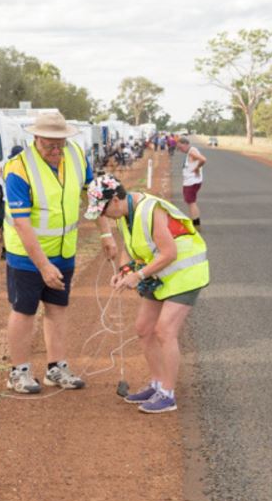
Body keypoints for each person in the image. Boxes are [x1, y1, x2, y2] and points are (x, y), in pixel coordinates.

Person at [86, 174, 209, 414]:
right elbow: (130, 250)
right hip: (161, 276)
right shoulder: (123, 215)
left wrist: (138, 276)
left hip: (185, 274)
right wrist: (124, 271)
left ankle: (168, 394)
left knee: (164, 330)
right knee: (143, 328)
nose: (103, 216)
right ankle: (156, 384)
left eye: (103, 210)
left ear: (117, 199)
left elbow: (169, 253)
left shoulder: (150, 210)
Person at [2, 110, 96, 393]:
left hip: (64, 251)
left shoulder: (77, 156)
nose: (56, 150)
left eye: (60, 144)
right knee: (24, 310)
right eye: (49, 144)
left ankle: (56, 368)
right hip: (27, 256)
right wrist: (43, 265)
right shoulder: (18, 168)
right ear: (35, 138)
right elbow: (21, 223)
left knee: (57, 308)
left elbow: (93, 195)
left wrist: (106, 233)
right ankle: (18, 372)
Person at [176, 136, 207, 227]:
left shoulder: (192, 152)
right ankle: (195, 222)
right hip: (192, 181)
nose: (180, 150)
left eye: (181, 147)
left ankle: (196, 224)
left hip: (191, 182)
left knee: (191, 203)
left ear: (186, 144)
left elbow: (203, 159)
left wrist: (197, 168)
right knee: (191, 202)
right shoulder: (191, 151)